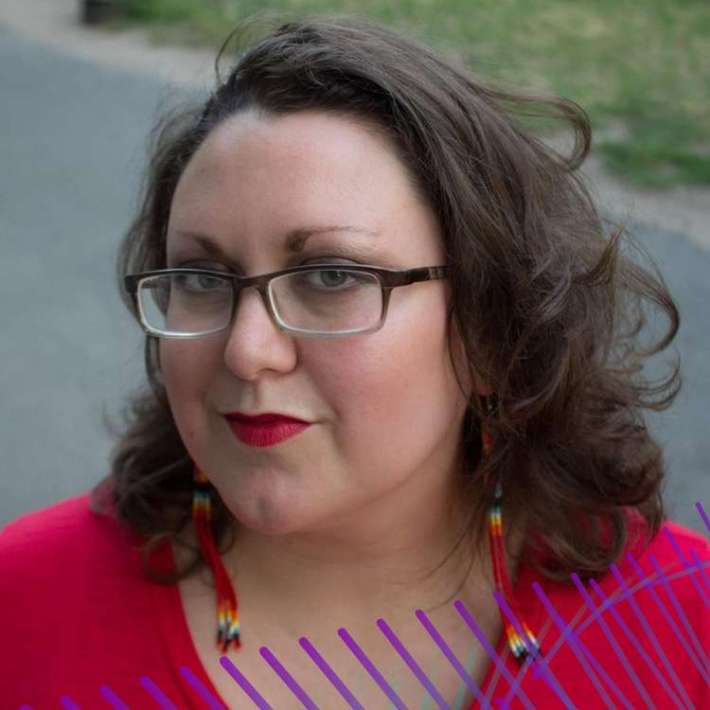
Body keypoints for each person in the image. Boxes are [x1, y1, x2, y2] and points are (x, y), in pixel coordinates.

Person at [1, 15, 707, 710]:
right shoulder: (23, 609)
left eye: (332, 277)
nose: (248, 351)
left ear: (491, 329)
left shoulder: (684, 624)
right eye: (201, 279)